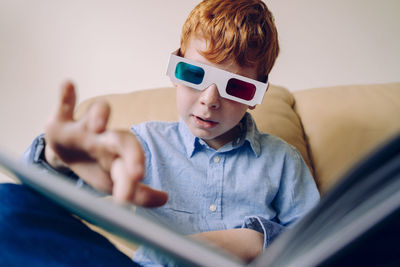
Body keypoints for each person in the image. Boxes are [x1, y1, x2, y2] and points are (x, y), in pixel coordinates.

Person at [0, 0, 320, 266]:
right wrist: (55, 161)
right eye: (195, 74)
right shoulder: (143, 146)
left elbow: (321, 245)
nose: (209, 100)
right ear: (176, 69)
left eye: (235, 87)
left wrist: (255, 239)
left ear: (256, 96)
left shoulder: (281, 161)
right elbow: (36, 208)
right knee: (6, 204)